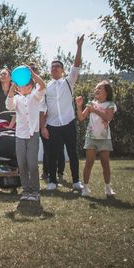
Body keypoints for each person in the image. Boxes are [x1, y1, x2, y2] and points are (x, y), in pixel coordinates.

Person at [41, 35, 85, 191]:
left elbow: (77, 66)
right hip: (52, 125)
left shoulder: (68, 81)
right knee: (52, 155)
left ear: (62, 70)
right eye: (52, 67)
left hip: (68, 123)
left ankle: (76, 181)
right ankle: (52, 181)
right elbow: (43, 109)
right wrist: (43, 126)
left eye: (57, 67)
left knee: (72, 153)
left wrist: (79, 46)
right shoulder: (46, 87)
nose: (54, 69)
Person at [6, 67, 47, 201]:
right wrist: (13, 86)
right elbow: (9, 106)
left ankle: (35, 190)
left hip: (33, 134)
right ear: (19, 87)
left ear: (31, 85)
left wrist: (33, 74)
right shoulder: (16, 98)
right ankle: (26, 190)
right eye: (23, 85)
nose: (26, 87)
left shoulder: (35, 97)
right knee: (22, 163)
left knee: (33, 163)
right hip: (20, 135)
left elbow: (42, 85)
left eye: (29, 84)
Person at [76, 81, 117, 197]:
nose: (96, 90)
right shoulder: (90, 104)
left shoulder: (110, 104)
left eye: (100, 88)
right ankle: (85, 188)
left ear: (106, 92)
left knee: (105, 162)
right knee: (89, 162)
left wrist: (94, 110)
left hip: (105, 139)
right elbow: (81, 117)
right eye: (96, 88)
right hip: (91, 138)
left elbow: (108, 117)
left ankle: (108, 188)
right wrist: (79, 106)